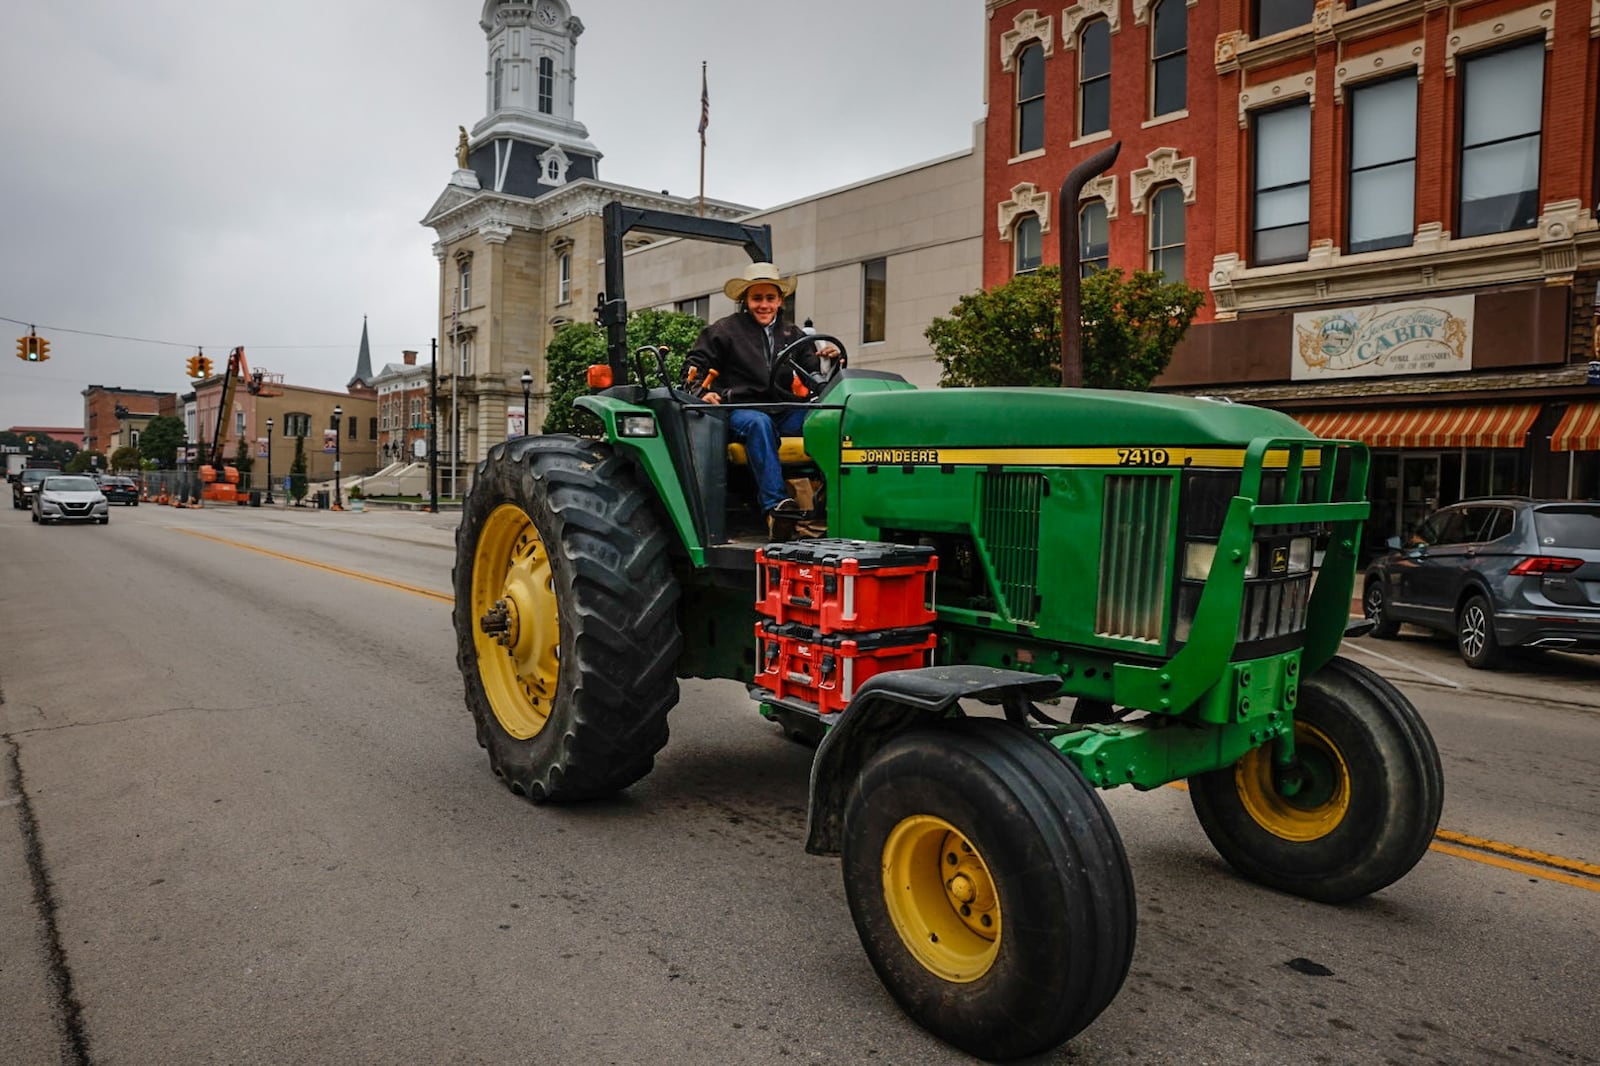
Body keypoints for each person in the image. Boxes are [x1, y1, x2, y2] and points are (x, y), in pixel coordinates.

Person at [686, 262, 839, 523]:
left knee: (828, 421)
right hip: (739, 409)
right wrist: (701, 392)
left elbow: (813, 377)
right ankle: (777, 507)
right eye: (757, 298)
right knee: (760, 424)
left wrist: (831, 363)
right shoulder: (723, 331)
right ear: (746, 300)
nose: (764, 305)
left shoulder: (793, 334)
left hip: (781, 408)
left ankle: (830, 504)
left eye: (770, 298)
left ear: (780, 300)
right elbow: (694, 366)